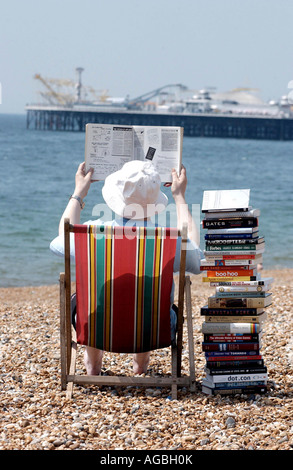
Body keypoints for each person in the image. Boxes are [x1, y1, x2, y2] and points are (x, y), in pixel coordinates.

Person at [50, 160, 203, 375]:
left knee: (93, 300)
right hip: (155, 330)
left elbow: (61, 239)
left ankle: (93, 366)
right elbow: (197, 260)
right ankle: (140, 365)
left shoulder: (92, 234)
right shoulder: (170, 240)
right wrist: (180, 198)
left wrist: (79, 193)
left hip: (96, 328)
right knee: (146, 295)